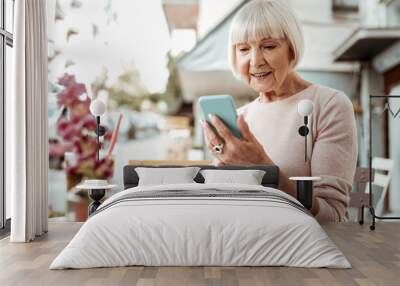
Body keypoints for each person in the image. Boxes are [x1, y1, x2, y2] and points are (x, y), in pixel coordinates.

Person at [200, 0, 358, 222]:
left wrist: (263, 168)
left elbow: (332, 216)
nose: (255, 61)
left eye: (269, 46)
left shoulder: (330, 105)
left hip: (300, 250)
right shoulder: (240, 117)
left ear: (291, 49)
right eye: (244, 49)